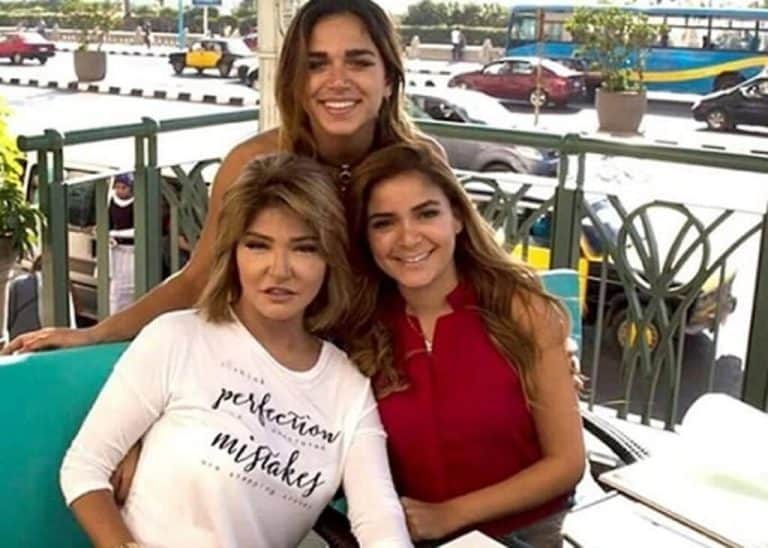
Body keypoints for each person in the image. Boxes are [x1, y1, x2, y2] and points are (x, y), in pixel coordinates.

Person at [2, 0, 429, 356]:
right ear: (295, 81)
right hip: (276, 370)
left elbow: (449, 275)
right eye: (316, 65)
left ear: (389, 78)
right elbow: (198, 278)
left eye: (358, 62)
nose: (337, 81)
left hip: (391, 366)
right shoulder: (254, 162)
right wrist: (97, 334)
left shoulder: (418, 164)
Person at [59, 153, 413, 548]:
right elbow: (84, 468)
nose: (279, 269)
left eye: (304, 248)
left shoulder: (347, 387)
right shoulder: (177, 338)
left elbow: (379, 520)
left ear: (330, 260)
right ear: (234, 254)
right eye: (258, 246)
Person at [344, 142, 585, 546]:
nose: (408, 237)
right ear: (366, 238)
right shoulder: (360, 329)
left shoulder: (521, 311)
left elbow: (567, 463)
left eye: (426, 213)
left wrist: (450, 515)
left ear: (457, 216)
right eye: (384, 223)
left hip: (524, 534)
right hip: (409, 537)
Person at [108, 173, 136, 314]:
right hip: (116, 250)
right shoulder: (111, 201)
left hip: (132, 251)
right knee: (116, 289)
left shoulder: (137, 203)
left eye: (123, 188)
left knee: (130, 288)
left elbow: (138, 230)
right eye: (117, 187)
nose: (120, 191)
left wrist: (115, 234)